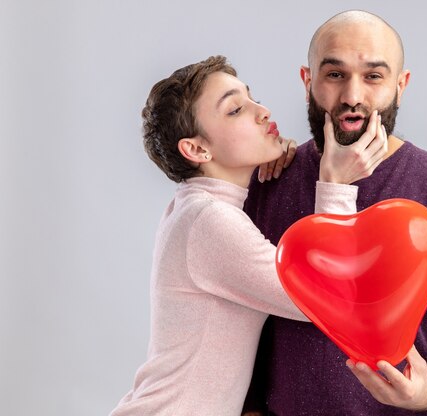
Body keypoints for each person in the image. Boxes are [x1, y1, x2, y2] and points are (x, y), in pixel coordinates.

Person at [243, 10, 427, 416]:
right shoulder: (266, 184)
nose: (353, 96)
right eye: (335, 74)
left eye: (373, 77)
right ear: (307, 81)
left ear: (400, 87)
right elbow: (239, 318)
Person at [109, 55, 389, 416]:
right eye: (236, 109)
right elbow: (329, 301)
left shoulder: (195, 209)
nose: (263, 111)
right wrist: (335, 183)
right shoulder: (209, 221)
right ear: (196, 149)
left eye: (251, 97)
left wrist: (273, 157)